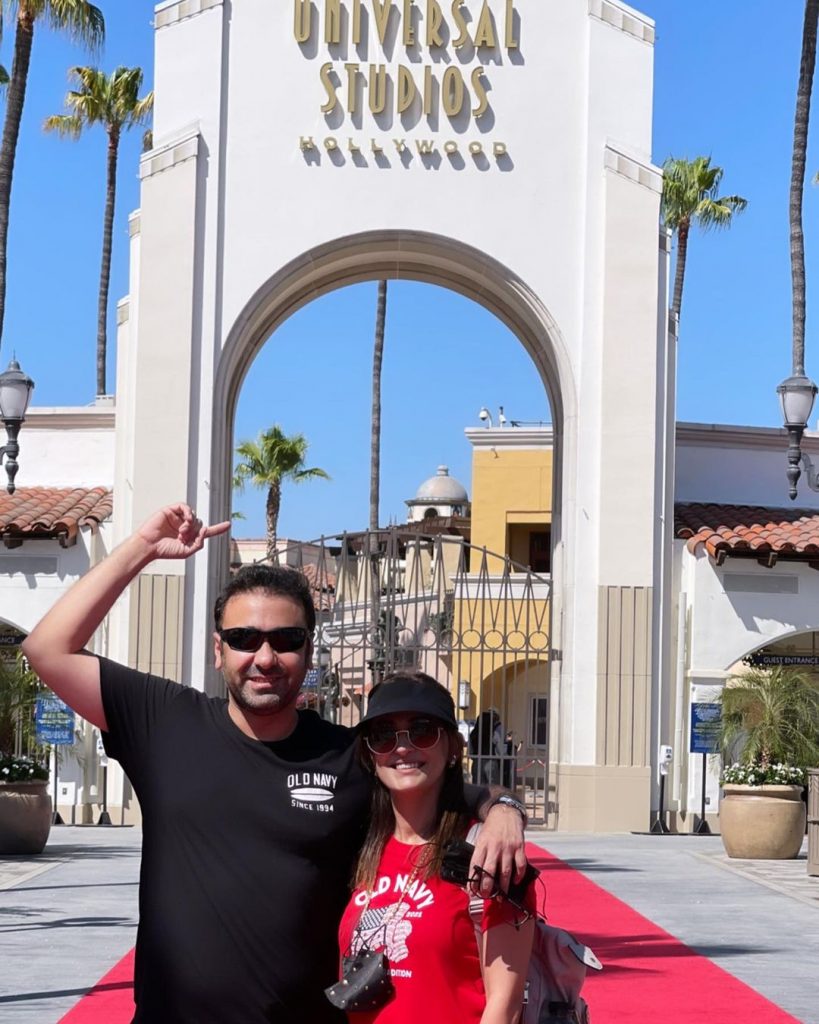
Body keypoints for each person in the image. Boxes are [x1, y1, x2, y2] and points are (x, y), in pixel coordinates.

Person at [21, 503, 528, 1024]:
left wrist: (505, 808)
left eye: (286, 640)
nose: (264, 657)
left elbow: (441, 784)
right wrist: (141, 548)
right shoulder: (165, 721)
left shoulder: (348, 754)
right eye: (243, 639)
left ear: (309, 654)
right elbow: (47, 648)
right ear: (218, 650)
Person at [337, 672, 535, 1023]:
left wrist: (507, 808)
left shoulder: (487, 854)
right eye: (383, 735)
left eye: (422, 730)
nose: (402, 747)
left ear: (453, 747)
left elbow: (503, 1009)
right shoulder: (357, 846)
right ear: (370, 754)